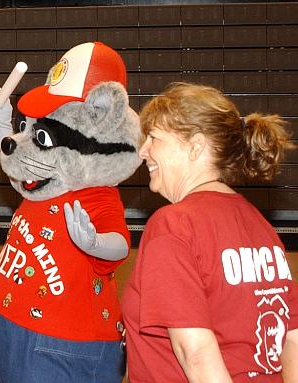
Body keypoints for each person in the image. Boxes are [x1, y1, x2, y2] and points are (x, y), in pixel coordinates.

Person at [123, 82, 298, 382]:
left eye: (154, 138)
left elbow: (197, 355)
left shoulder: (172, 225)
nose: (143, 151)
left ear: (195, 147)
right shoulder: (261, 226)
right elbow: (292, 341)